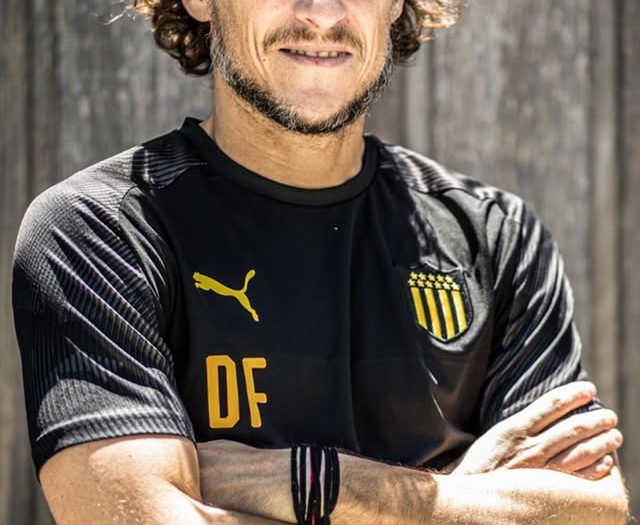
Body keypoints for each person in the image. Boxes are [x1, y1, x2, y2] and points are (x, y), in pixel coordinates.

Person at [12, 0, 629, 523]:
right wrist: (464, 498)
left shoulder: (495, 235)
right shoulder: (101, 229)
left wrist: (312, 482)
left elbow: (594, 511)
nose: (322, 14)